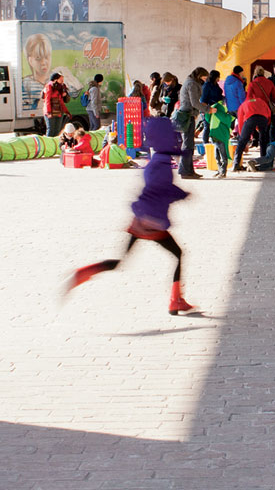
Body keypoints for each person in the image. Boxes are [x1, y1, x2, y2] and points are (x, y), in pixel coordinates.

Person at [65, 117, 201, 317]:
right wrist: (181, 194)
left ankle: (85, 272)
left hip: (139, 220)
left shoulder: (156, 160)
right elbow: (160, 188)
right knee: (178, 254)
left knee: (120, 261)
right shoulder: (162, 163)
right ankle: (175, 300)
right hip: (153, 223)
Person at [175, 67, 207, 180]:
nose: (205, 79)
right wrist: (207, 109)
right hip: (187, 116)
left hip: (189, 114)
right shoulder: (192, 84)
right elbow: (194, 102)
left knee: (189, 144)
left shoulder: (190, 82)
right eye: (204, 76)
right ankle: (185, 171)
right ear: (199, 75)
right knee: (188, 144)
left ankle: (189, 171)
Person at [231, 91, 272, 172]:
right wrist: (265, 125)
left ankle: (236, 164)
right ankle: (263, 164)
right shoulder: (261, 101)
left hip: (250, 119)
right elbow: (269, 113)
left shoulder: (244, 104)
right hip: (263, 119)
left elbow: (240, 122)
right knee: (263, 141)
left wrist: (242, 136)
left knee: (242, 142)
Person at [206, 100, 234, 177]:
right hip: (219, 134)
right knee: (221, 154)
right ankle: (221, 171)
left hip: (214, 133)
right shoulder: (219, 109)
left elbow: (207, 118)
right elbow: (227, 119)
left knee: (219, 154)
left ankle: (222, 171)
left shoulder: (214, 107)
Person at [41, 72, 71, 137]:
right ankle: (48, 145)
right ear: (55, 79)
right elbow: (47, 100)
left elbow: (61, 102)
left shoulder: (60, 88)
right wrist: (48, 112)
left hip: (59, 111)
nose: (63, 81)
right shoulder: (49, 86)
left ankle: (56, 145)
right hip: (51, 112)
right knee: (51, 130)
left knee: (57, 130)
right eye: (61, 79)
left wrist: (66, 111)